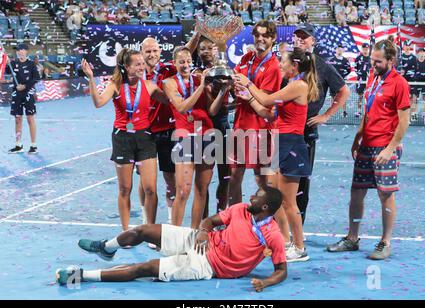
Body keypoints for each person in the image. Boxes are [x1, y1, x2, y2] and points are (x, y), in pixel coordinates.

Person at [56, 186, 288, 293]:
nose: (250, 197)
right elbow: (210, 221)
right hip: (200, 242)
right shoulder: (240, 209)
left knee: (143, 268)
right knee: (143, 230)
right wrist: (203, 232)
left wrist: (265, 283)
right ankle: (107, 248)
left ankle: (81, 276)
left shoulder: (273, 235)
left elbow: (281, 270)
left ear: (265, 207)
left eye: (256, 197)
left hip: (207, 266)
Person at [233, 48, 320, 262]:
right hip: (281, 143)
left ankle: (300, 248)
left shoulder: (299, 86)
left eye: (283, 62)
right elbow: (267, 113)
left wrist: (248, 83)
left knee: (289, 203)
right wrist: (248, 97)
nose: (280, 65)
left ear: (295, 66)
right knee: (277, 199)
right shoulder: (291, 86)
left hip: (291, 145)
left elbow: (266, 99)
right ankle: (287, 240)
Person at [327, 39, 410, 260]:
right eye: (372, 60)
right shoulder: (373, 77)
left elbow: (404, 121)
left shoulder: (399, 83)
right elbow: (368, 110)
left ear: (391, 60)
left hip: (385, 147)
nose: (373, 64)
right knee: (356, 193)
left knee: (386, 195)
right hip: (366, 145)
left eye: (378, 61)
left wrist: (391, 149)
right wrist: (357, 138)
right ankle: (352, 238)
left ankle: (385, 242)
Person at [81, 48, 168, 231]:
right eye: (137, 64)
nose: (142, 67)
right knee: (125, 189)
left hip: (145, 138)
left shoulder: (150, 86)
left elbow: (173, 102)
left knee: (150, 188)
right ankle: (126, 231)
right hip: (122, 140)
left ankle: (150, 230)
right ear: (127, 67)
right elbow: (98, 103)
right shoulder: (115, 85)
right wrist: (90, 78)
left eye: (142, 63)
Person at [137, 33, 202, 227]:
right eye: (148, 51)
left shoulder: (167, 70)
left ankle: (169, 220)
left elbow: (186, 53)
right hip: (145, 132)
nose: (152, 54)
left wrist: (197, 35)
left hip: (167, 131)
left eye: (155, 50)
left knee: (170, 180)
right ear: (141, 53)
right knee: (145, 183)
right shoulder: (136, 73)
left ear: (160, 52)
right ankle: (146, 221)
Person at [162, 46, 231, 228]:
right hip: (185, 137)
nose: (185, 65)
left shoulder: (199, 79)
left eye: (188, 61)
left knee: (201, 190)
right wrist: (201, 87)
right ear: (174, 63)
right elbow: (182, 108)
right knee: (183, 191)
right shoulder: (169, 83)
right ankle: (175, 236)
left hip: (207, 135)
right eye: (181, 62)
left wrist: (223, 91)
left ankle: (194, 234)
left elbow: (212, 110)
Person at [292, 23, 350, 225]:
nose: (299, 40)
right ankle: (279, 227)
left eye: (304, 37)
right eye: (296, 36)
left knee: (301, 182)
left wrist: (325, 116)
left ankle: (297, 229)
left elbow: (344, 91)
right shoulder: (287, 63)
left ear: (313, 41)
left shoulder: (322, 65)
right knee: (280, 180)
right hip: (284, 130)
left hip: (306, 132)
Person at [228, 20, 282, 206]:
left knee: (263, 181)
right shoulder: (246, 58)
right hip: (240, 125)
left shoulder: (274, 66)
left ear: (273, 38)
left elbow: (265, 100)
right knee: (234, 177)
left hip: (262, 129)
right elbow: (235, 82)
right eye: (257, 35)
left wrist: (246, 86)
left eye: (265, 35)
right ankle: (234, 220)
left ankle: (266, 224)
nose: (260, 39)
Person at [191, 36, 231, 215]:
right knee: (203, 180)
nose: (206, 52)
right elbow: (209, 108)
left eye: (210, 48)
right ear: (198, 52)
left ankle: (220, 217)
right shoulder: (196, 75)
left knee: (226, 177)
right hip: (203, 129)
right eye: (202, 49)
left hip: (222, 126)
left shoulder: (226, 71)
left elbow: (231, 101)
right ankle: (204, 219)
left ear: (217, 50)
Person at [6, 44, 40, 154]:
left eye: (21, 50)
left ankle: (33, 145)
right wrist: (5, 61)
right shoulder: (12, 64)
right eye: (18, 50)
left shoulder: (31, 64)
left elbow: (36, 78)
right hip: (17, 95)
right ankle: (18, 145)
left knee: (30, 119)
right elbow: (5, 71)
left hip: (28, 94)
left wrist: (25, 86)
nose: (19, 52)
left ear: (26, 51)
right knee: (17, 119)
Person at [329, 44, 351, 117]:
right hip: (333, 82)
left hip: (342, 82)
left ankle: (344, 111)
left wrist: (343, 76)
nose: (339, 50)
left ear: (343, 50)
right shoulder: (332, 60)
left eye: (341, 49)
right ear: (336, 50)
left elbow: (349, 70)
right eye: (338, 48)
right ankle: (331, 111)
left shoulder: (345, 60)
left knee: (343, 96)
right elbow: (329, 70)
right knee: (333, 96)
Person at [411, 48, 425, 119]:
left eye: (423, 52)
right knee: (414, 98)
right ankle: (413, 114)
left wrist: (424, 76)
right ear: (418, 53)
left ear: (424, 54)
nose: (422, 53)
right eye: (421, 52)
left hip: (424, 83)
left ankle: (424, 114)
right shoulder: (415, 62)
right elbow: (413, 72)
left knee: (424, 99)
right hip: (416, 83)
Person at [399, 40, 417, 120]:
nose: (407, 47)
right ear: (404, 46)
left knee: (413, 97)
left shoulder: (414, 58)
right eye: (406, 45)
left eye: (409, 45)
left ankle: (413, 114)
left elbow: (416, 70)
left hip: (412, 81)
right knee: (402, 98)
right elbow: (396, 69)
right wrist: (400, 71)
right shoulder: (400, 57)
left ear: (410, 47)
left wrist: (409, 72)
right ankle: (402, 115)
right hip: (402, 81)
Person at [355, 43, 372, 117]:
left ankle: (369, 111)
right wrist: (360, 74)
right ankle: (358, 111)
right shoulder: (358, 58)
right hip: (361, 79)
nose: (365, 50)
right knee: (360, 95)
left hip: (369, 80)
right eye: (364, 49)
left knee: (369, 96)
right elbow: (356, 68)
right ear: (362, 49)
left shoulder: (371, 58)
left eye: (367, 49)